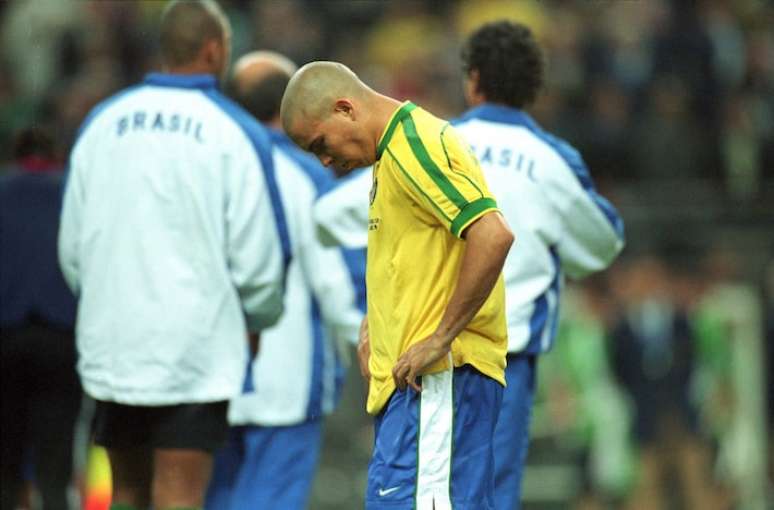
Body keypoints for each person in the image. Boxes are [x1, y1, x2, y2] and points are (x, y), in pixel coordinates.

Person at [311, 21, 626, 509]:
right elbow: (603, 244)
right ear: (533, 87)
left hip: (441, 352)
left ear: (472, 79)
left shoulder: (428, 142)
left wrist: (391, 299)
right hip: (508, 356)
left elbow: (330, 216)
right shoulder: (553, 160)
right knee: (486, 497)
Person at [57, 2, 288, 509]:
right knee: (179, 496)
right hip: (195, 349)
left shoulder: (102, 122)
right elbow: (261, 260)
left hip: (114, 342)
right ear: (214, 49)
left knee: (126, 492)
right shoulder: (235, 132)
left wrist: (101, 303)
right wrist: (255, 321)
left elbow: (71, 247)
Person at [281, 61, 514, 510]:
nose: (326, 161)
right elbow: (415, 261)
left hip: (439, 383)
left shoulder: (413, 144)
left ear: (345, 109)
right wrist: (378, 324)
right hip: (418, 393)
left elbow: (492, 233)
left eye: (320, 145)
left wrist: (441, 338)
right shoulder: (390, 156)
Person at [204, 51, 364, 510]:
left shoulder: (206, 167)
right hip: (287, 382)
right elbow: (338, 285)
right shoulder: (306, 176)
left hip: (205, 377)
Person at [1, 126, 81, 510]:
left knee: (6, 461)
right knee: (55, 461)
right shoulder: (71, 194)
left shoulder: (2, 191)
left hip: (7, 336)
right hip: (61, 339)